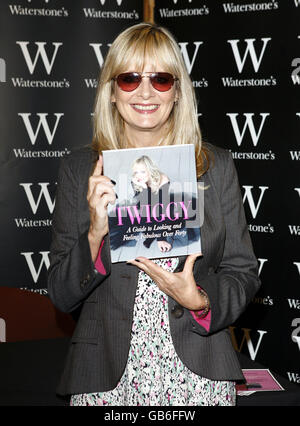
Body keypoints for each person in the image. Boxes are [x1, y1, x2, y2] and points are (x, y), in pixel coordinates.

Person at [47, 23, 261, 406]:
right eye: (129, 79)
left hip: (198, 371)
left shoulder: (215, 166)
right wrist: (96, 232)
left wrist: (201, 300)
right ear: (111, 92)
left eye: (161, 79)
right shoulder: (80, 169)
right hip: (106, 376)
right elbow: (62, 295)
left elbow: (243, 274)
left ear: (178, 91)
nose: (145, 92)